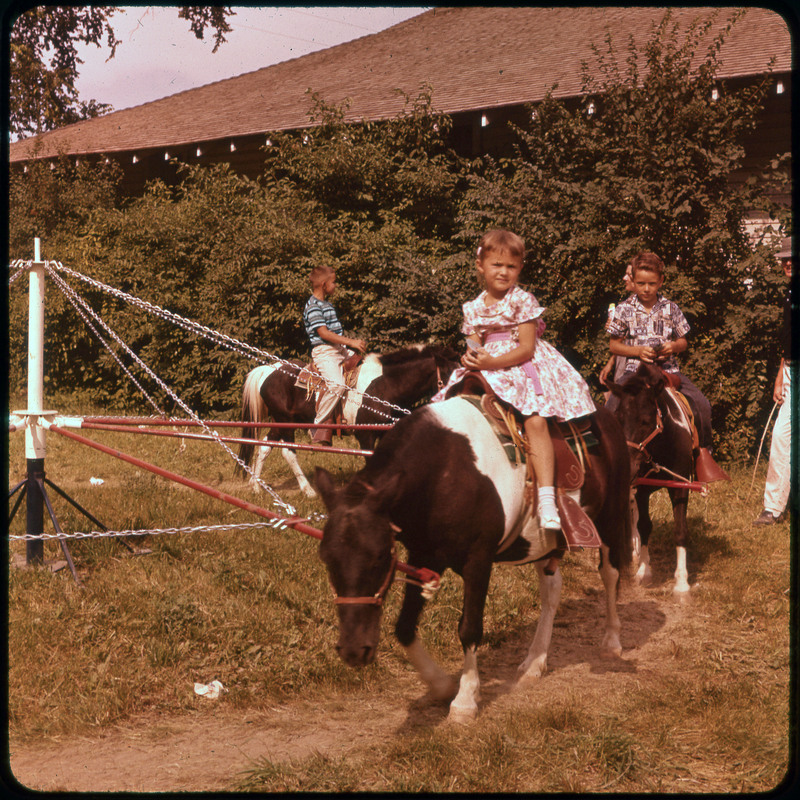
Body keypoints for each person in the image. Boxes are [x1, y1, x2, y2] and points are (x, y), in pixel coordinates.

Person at [433, 229, 596, 530]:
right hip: (488, 367)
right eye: (496, 265)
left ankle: (547, 497)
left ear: (519, 268)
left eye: (511, 266)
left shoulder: (522, 300)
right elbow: (474, 344)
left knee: (534, 419)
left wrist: (492, 360)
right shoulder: (473, 307)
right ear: (481, 265)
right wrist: (472, 358)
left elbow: (526, 347)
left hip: (521, 366)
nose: (503, 272)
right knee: (455, 406)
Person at [605, 251, 713, 451]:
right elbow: (614, 345)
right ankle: (609, 454)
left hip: (668, 371)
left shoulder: (671, 308)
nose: (646, 289)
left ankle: (703, 454)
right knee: (611, 406)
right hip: (634, 372)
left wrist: (672, 347)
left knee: (702, 405)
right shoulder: (623, 309)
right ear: (633, 280)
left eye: (652, 284)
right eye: (640, 283)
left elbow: (683, 342)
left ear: (661, 281)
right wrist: (637, 351)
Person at [303, 264, 366, 446]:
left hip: (338, 348)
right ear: (324, 284)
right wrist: (352, 342)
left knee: (362, 365)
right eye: (334, 282)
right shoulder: (313, 306)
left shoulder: (327, 304)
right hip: (325, 351)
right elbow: (323, 333)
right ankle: (317, 424)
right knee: (337, 385)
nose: (335, 285)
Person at [754, 238, 793, 525]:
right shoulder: (789, 295)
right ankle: (773, 508)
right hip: (793, 371)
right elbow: (788, 342)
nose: (788, 263)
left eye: (794, 258)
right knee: (781, 437)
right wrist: (781, 374)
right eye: (784, 259)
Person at [599, 262, 636, 396]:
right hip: (622, 368)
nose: (624, 278)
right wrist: (610, 364)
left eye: (628, 274)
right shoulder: (625, 307)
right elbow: (619, 344)